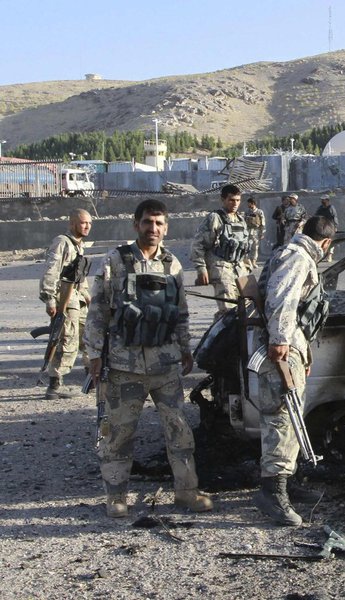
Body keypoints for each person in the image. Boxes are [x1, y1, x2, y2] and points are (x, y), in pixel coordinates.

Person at [85, 199, 212, 518]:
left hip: (165, 365)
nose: (152, 228)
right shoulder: (116, 260)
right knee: (119, 432)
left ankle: (186, 492)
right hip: (124, 365)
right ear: (136, 225)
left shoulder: (172, 265)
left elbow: (180, 313)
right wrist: (93, 354)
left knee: (179, 430)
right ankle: (116, 496)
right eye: (147, 222)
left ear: (166, 227)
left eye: (158, 223)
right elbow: (98, 309)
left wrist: (185, 349)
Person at [254, 216, 335, 526]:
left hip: (291, 346)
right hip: (282, 348)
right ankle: (271, 492)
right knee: (280, 416)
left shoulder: (289, 252)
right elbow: (282, 299)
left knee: (292, 415)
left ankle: (287, 479)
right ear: (325, 243)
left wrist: (302, 351)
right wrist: (279, 341)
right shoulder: (298, 257)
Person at [39, 209, 92, 399]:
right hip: (65, 301)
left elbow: (78, 275)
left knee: (89, 337)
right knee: (66, 340)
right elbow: (51, 271)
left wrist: (87, 294)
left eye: (89, 223)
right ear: (72, 224)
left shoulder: (79, 246)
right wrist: (50, 299)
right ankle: (55, 384)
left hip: (78, 299)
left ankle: (91, 377)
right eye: (83, 222)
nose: (87, 226)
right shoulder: (62, 242)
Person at [191, 184, 250, 318]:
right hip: (222, 268)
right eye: (231, 200)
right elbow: (198, 244)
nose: (235, 204)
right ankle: (220, 337)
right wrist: (201, 268)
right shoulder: (215, 218)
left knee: (245, 309)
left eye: (238, 200)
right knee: (228, 311)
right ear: (222, 200)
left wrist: (247, 266)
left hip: (239, 268)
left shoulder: (241, 220)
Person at [243, 196, 266, 271]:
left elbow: (263, 223)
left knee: (255, 247)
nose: (248, 205)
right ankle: (247, 261)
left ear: (253, 204)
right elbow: (244, 221)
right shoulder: (247, 212)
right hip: (248, 230)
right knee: (246, 247)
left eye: (249, 204)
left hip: (256, 231)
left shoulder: (259, 212)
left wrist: (262, 232)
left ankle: (254, 261)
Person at [314, 195, 338, 262]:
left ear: (327, 200)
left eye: (323, 200)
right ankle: (322, 255)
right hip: (322, 226)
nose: (322, 201)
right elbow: (316, 216)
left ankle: (330, 255)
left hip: (330, 226)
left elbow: (334, 217)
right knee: (322, 240)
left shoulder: (331, 208)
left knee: (330, 240)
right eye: (321, 200)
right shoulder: (320, 208)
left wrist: (335, 226)